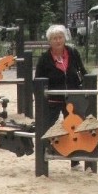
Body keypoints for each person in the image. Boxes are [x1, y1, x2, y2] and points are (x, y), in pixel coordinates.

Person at [34, 24, 90, 170]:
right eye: (54, 38)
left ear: (64, 39)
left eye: (60, 38)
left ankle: (75, 161)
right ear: (49, 41)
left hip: (72, 96)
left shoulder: (72, 53)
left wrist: (86, 86)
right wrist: (39, 99)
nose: (57, 41)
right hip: (53, 98)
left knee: (75, 127)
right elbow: (38, 79)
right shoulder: (45, 59)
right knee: (45, 126)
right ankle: (42, 157)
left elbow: (82, 71)